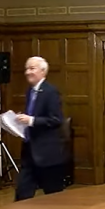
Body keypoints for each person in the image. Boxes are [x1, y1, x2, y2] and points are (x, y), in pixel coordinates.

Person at [13, 56, 66, 201]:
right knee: (22, 195)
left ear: (43, 71)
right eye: (26, 69)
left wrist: (32, 120)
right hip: (29, 152)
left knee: (55, 198)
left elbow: (56, 120)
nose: (27, 72)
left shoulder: (50, 91)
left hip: (47, 154)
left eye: (32, 68)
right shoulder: (30, 91)